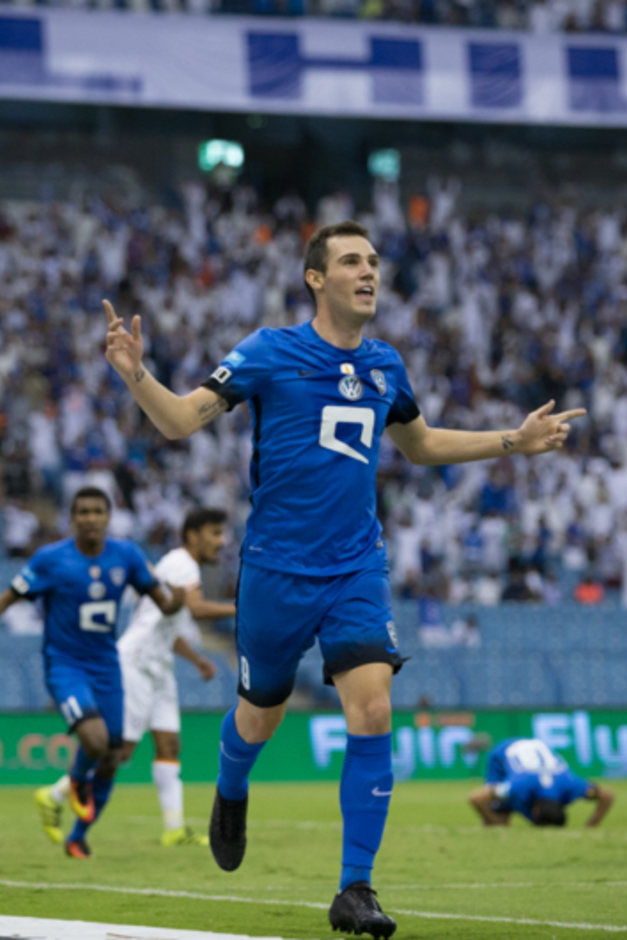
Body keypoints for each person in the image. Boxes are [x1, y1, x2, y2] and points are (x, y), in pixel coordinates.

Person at [102, 220, 585, 939]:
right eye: (352, 261)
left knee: (373, 709)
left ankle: (354, 888)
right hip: (274, 571)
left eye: (374, 262)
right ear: (315, 278)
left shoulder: (386, 364)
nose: (368, 272)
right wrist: (135, 373)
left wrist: (513, 439)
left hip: (357, 566)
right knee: (260, 714)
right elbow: (178, 422)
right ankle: (230, 786)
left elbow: (421, 444)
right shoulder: (269, 351)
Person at [0, 486, 184, 859]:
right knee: (95, 742)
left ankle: (77, 836)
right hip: (65, 665)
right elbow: (12, 594)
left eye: (98, 511)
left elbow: (163, 603)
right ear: (71, 519)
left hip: (106, 666)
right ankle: (78, 780)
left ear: (108, 517)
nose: (90, 518)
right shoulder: (51, 559)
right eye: (83, 512)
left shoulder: (127, 556)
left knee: (113, 756)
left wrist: (176, 601)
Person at [39, 507, 235, 849]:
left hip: (159, 666)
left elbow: (165, 626)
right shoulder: (182, 564)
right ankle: (55, 795)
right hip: (136, 664)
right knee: (121, 751)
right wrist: (243, 606)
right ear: (193, 535)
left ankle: (174, 828)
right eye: (215, 533)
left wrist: (197, 660)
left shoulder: (178, 566)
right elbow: (197, 608)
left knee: (169, 744)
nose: (222, 541)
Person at [468, 737, 615, 827]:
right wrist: (495, 822)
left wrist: (591, 826)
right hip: (503, 753)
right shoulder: (518, 786)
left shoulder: (571, 786)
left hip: (537, 753)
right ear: (535, 811)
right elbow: (476, 798)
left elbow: (607, 796)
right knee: (498, 815)